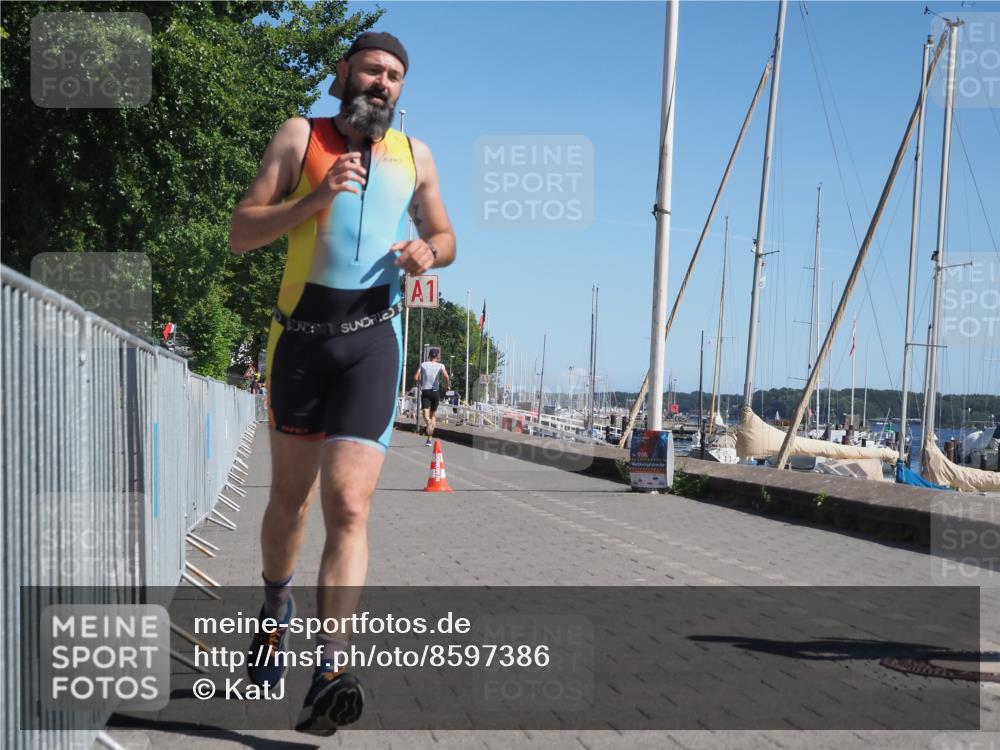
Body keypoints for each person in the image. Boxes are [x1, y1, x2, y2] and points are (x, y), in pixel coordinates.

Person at [228, 31, 455, 736]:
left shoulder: (414, 156)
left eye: (395, 75)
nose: (383, 83)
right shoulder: (301, 136)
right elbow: (241, 231)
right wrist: (313, 198)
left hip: (372, 346)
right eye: (372, 70)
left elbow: (446, 236)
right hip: (297, 344)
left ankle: (328, 669)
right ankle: (274, 607)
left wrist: (427, 250)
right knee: (290, 505)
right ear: (344, 72)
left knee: (349, 507)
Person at [414, 347, 451, 446]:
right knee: (433, 415)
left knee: (425, 415)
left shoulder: (423, 364)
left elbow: (416, 377)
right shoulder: (440, 365)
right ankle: (429, 439)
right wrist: (448, 386)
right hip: (435, 392)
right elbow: (446, 376)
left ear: (429, 356)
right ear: (437, 357)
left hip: (425, 391)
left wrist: (419, 383)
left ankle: (428, 422)